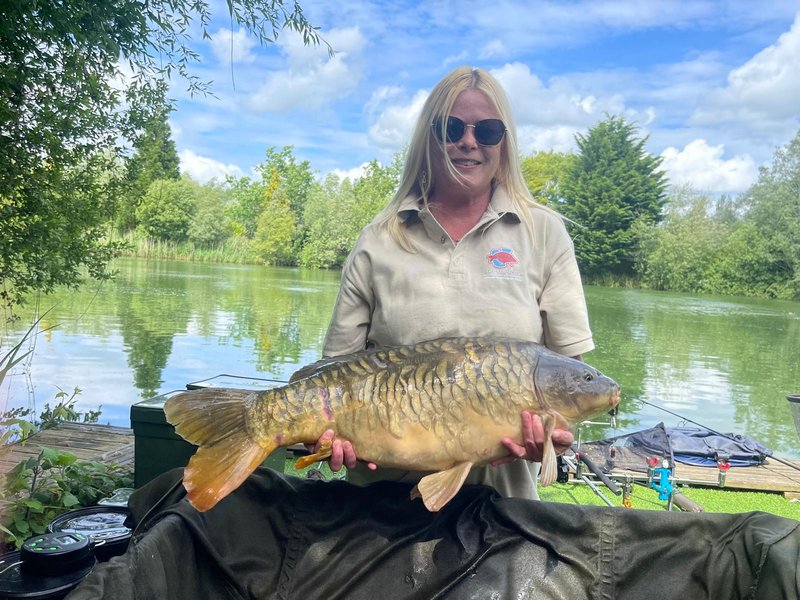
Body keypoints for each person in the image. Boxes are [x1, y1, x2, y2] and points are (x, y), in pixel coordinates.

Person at [315, 66, 595, 500]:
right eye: (452, 128)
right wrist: (330, 438)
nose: (469, 142)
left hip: (504, 508)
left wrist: (553, 437)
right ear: (429, 138)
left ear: (504, 142)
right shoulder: (378, 240)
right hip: (380, 503)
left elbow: (569, 383)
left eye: (487, 130)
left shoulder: (545, 234)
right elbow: (333, 376)